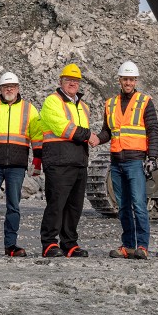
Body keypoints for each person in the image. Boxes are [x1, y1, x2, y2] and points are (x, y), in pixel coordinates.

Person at [95, 61, 158, 260]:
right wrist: (97, 138)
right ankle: (129, 246)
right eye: (125, 79)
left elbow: (153, 131)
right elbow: (108, 131)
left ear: (136, 81)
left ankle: (143, 246)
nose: (128, 83)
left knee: (139, 205)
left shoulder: (145, 102)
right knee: (123, 207)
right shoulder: (110, 103)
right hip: (117, 162)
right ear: (120, 80)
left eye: (131, 79)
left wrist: (152, 157)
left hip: (135, 162)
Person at [0, 72, 43, 257]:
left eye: (12, 86)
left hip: (16, 166)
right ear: (0, 89)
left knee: (13, 206)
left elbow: (37, 135)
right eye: (6, 87)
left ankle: (10, 245)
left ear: (18, 88)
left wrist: (37, 160)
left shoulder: (29, 109)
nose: (9, 89)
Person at [39, 63, 95, 258]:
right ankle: (49, 243)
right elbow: (61, 126)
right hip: (58, 160)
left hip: (78, 161)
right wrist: (88, 135)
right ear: (61, 81)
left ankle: (69, 243)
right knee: (56, 204)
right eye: (69, 80)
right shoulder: (52, 101)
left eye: (76, 80)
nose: (72, 83)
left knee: (74, 206)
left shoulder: (83, 107)